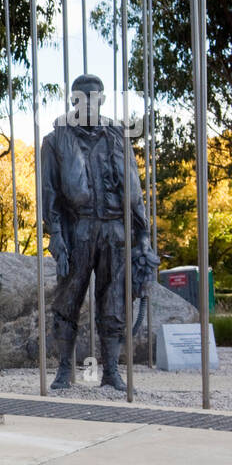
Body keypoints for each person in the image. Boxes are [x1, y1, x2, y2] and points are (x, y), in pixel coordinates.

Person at [41, 74, 158, 390]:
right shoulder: (54, 141)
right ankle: (65, 370)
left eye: (94, 98)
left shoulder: (117, 136)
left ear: (102, 100)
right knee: (68, 299)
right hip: (79, 229)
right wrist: (56, 236)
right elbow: (49, 194)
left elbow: (134, 189)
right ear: (74, 101)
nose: (88, 103)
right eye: (82, 98)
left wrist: (143, 236)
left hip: (115, 231)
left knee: (115, 301)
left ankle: (111, 372)